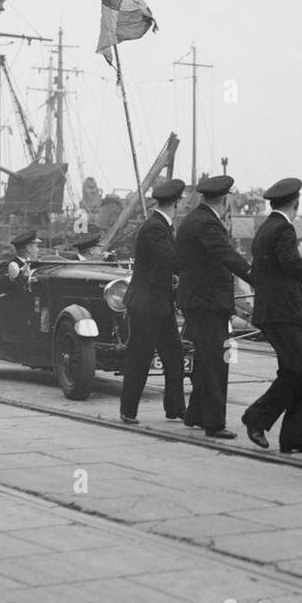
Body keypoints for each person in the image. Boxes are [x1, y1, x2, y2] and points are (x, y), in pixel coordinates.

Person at [240, 178, 302, 454]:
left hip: (272, 311)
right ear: (295, 203)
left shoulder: (265, 229)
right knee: (298, 370)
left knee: (299, 373)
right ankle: (257, 417)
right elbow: (291, 262)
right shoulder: (285, 229)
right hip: (283, 313)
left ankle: (293, 439)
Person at [176, 174, 253, 438]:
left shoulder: (194, 220)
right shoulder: (207, 224)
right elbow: (226, 255)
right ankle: (214, 423)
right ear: (225, 199)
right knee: (216, 361)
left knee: (206, 359)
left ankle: (195, 413)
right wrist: (254, 274)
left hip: (199, 301)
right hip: (207, 303)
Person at [119, 178, 187, 425]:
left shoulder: (160, 225)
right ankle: (128, 410)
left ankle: (175, 408)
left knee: (174, 354)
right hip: (147, 306)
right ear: (177, 203)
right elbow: (170, 259)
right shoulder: (156, 228)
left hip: (159, 303)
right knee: (140, 356)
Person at [0, 230, 38, 294]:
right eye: (36, 246)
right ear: (28, 248)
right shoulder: (8, 265)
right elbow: (1, 284)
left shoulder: (36, 264)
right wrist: (16, 275)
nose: (38, 250)